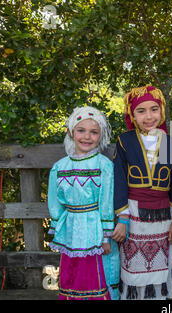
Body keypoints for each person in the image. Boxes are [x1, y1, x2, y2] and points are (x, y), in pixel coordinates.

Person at [111, 85, 172, 300]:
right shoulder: (125, 141)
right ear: (132, 115)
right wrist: (123, 218)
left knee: (158, 274)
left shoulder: (170, 143)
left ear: (162, 110)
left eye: (154, 109)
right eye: (141, 111)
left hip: (163, 218)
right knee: (133, 273)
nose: (149, 116)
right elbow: (119, 181)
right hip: (133, 217)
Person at [48, 106, 120, 300]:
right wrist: (58, 228)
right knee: (71, 274)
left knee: (95, 273)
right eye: (81, 130)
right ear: (70, 132)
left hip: (94, 229)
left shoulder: (103, 166)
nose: (87, 137)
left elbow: (106, 202)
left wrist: (106, 237)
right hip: (70, 231)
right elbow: (56, 203)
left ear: (101, 135)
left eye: (94, 132)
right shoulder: (60, 167)